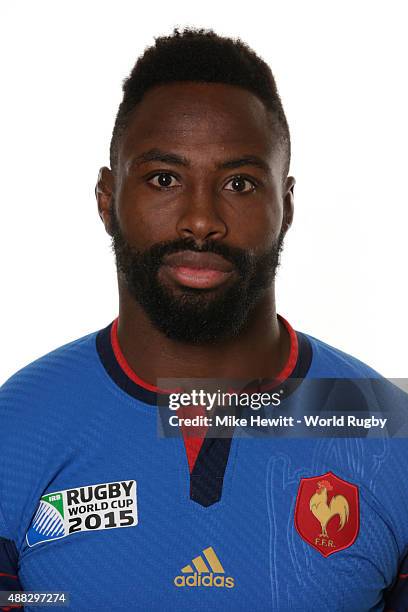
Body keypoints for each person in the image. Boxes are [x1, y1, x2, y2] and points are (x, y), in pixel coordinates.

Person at [0, 28, 407, 612]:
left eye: (239, 183)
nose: (200, 220)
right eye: (164, 179)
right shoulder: (17, 427)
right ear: (106, 197)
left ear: (285, 205)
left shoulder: (387, 430)